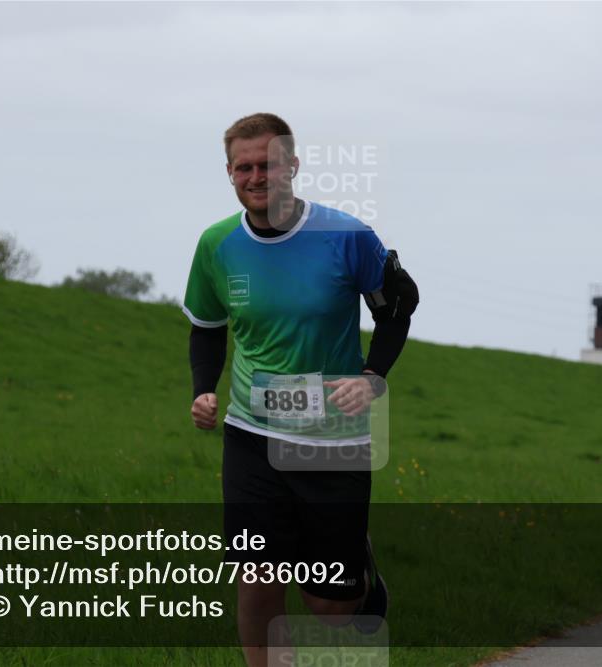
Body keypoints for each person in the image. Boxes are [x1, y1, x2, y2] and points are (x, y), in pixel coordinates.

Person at [184, 113, 418, 667]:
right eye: (245, 166)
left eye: (267, 164)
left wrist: (372, 378)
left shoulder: (346, 236)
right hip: (252, 433)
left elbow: (397, 310)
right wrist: (203, 389)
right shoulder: (217, 244)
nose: (256, 176)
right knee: (257, 579)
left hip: (331, 437)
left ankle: (360, 571)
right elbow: (207, 327)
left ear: (293, 164)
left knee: (330, 607)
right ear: (229, 172)